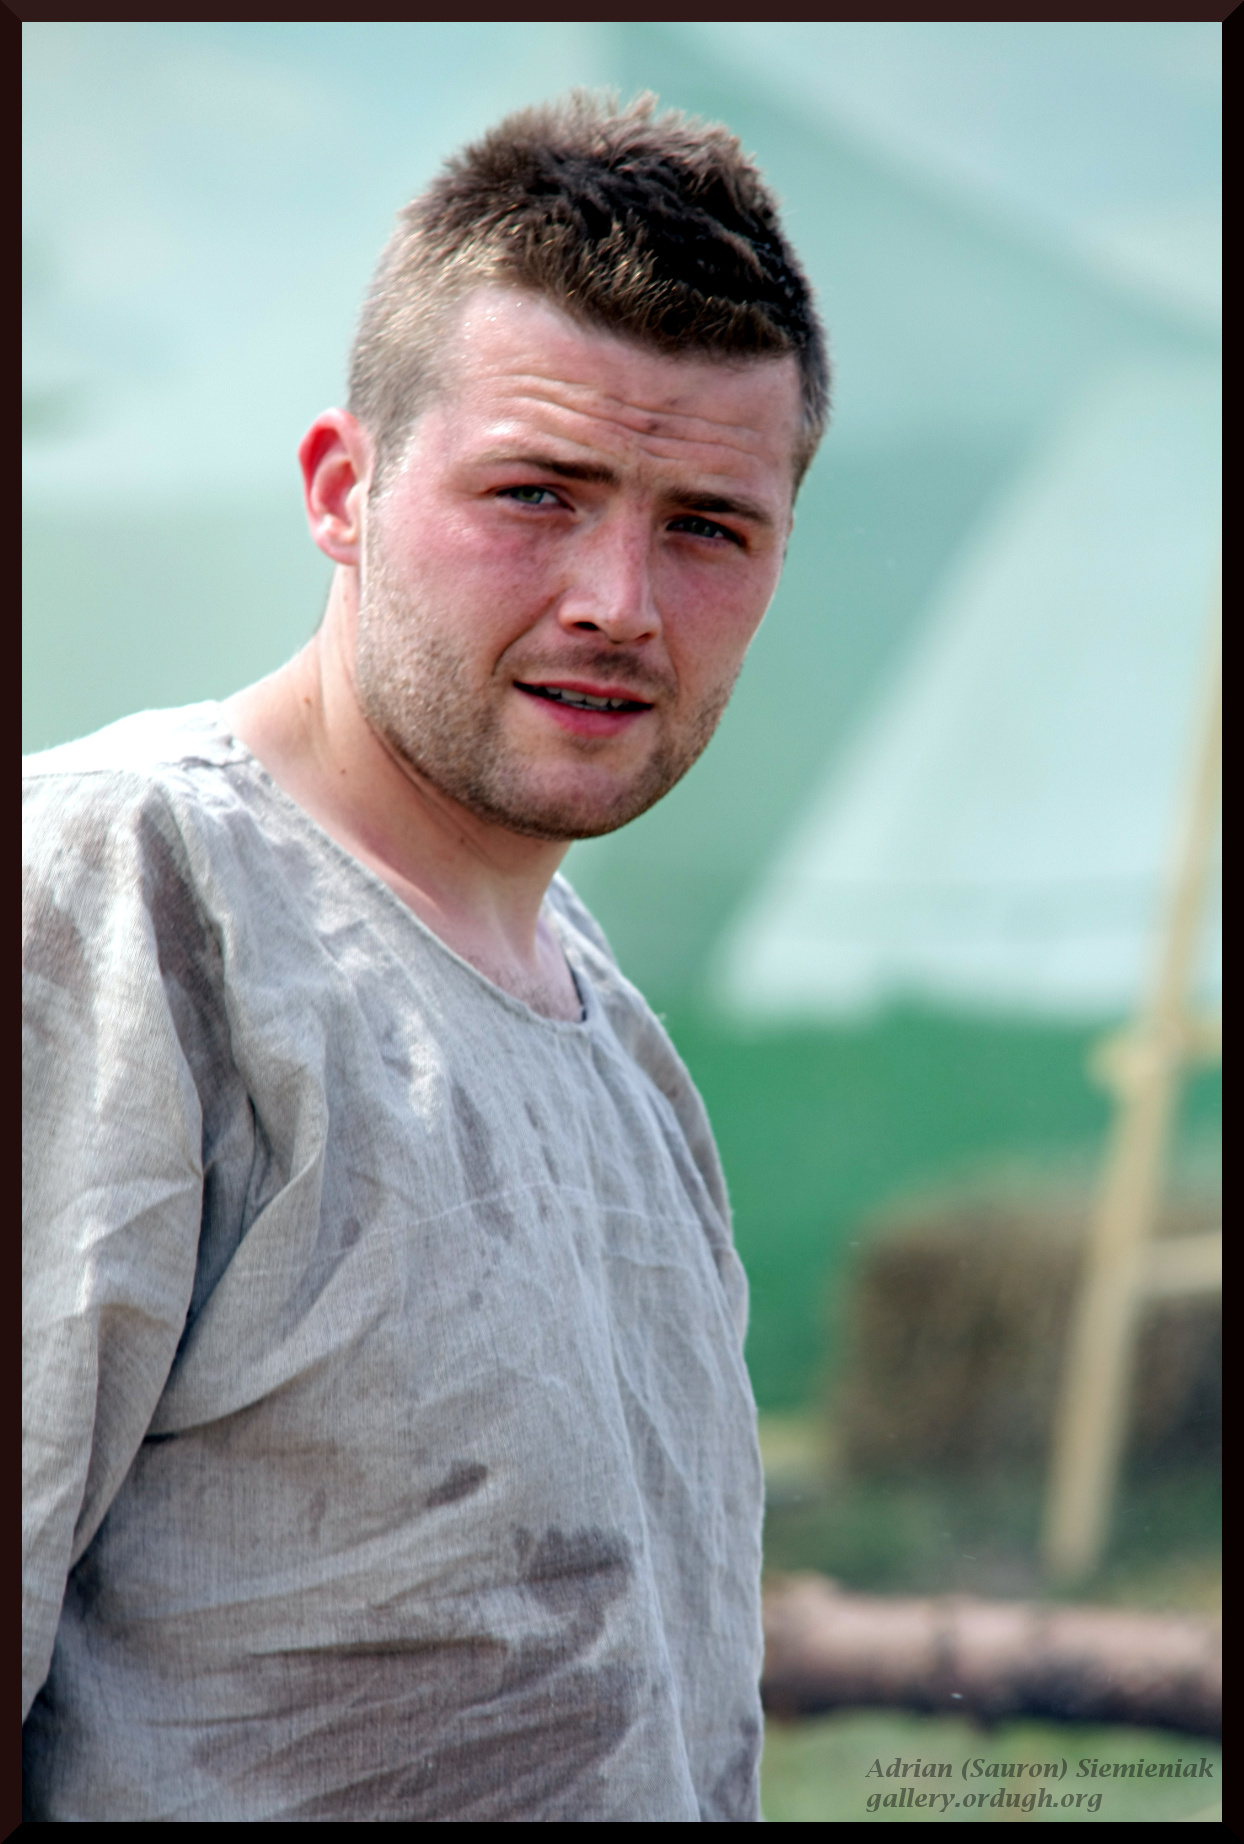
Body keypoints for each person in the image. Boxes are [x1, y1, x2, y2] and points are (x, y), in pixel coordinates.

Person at [22, 91, 829, 1822]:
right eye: (538, 494)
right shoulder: (120, 892)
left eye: (708, 525)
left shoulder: (619, 1046)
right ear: (344, 488)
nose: (619, 600)